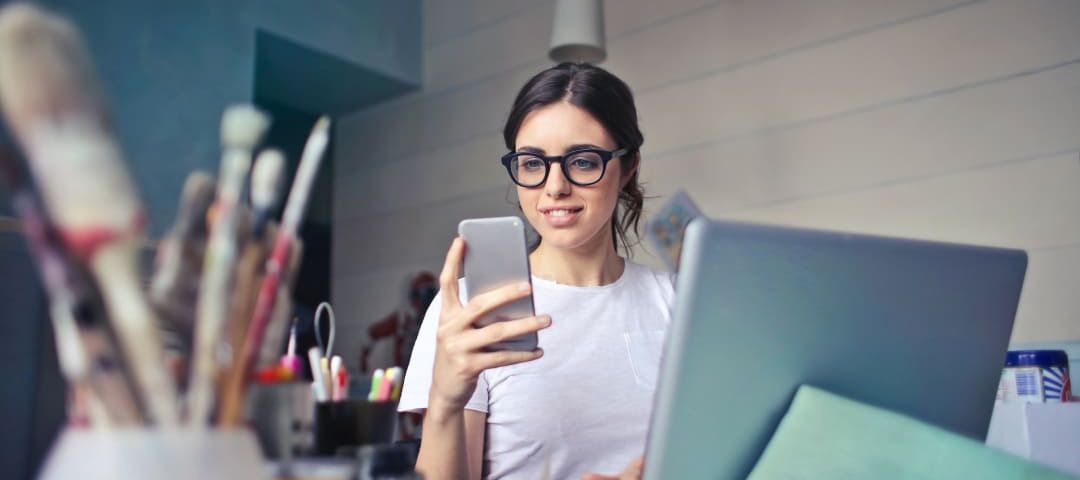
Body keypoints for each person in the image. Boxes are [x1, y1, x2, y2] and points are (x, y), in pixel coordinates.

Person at [398, 62, 675, 480]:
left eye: (582, 162)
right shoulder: (472, 309)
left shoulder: (678, 302)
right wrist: (444, 404)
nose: (554, 187)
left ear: (628, 166)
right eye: (532, 163)